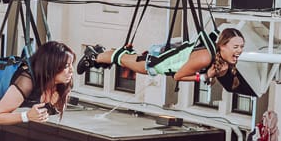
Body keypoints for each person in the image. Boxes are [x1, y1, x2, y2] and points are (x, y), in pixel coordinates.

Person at [79, 28, 246, 91]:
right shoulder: (204, 58)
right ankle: (93, 56)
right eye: (235, 47)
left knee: (126, 58)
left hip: (163, 57)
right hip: (157, 63)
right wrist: (204, 77)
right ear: (223, 46)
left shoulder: (218, 56)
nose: (239, 51)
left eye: (241, 47)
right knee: (122, 59)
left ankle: (100, 55)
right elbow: (178, 76)